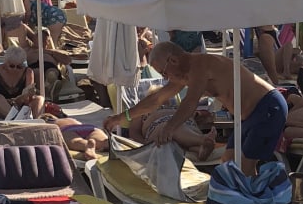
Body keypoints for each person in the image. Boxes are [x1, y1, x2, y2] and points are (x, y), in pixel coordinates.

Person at [103, 41, 287, 176]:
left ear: (173, 60)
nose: (166, 78)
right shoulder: (183, 74)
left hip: (267, 106)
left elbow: (190, 102)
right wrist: (120, 117)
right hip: (248, 116)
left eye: (164, 72)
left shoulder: (200, 65)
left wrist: (169, 127)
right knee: (228, 160)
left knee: (245, 166)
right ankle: (249, 200)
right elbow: (156, 99)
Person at [0, 46, 44, 119]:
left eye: (19, 67)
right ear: (6, 63)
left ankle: (36, 122)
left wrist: (28, 95)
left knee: (39, 99)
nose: (15, 69)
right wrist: (10, 101)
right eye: (12, 66)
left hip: (20, 108)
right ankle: (15, 119)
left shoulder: (27, 72)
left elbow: (27, 100)